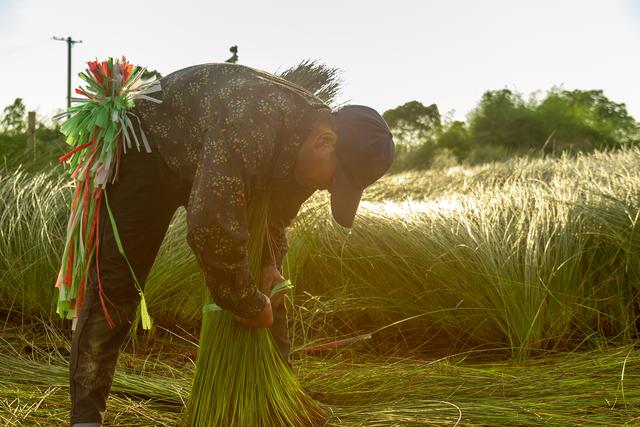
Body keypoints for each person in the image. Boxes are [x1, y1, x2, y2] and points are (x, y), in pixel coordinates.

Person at [69, 62, 395, 426]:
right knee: (115, 286)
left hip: (213, 156)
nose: (327, 189)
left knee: (271, 289)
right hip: (152, 145)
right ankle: (86, 419)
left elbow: (274, 223)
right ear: (325, 141)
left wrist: (269, 267)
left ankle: (278, 403)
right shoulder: (255, 119)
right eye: (335, 180)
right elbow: (211, 225)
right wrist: (245, 301)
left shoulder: (308, 151)